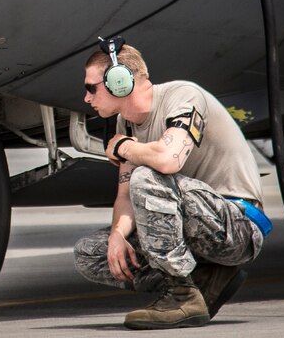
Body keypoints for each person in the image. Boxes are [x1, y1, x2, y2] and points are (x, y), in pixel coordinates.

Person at [73, 37, 270, 330]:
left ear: (119, 82)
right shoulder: (125, 125)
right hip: (191, 223)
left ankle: (182, 296)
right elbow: (125, 196)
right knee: (90, 253)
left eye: (92, 88)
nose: (87, 98)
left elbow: (168, 160)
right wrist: (117, 235)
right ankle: (207, 278)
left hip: (237, 226)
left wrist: (123, 148)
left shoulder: (183, 96)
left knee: (147, 176)